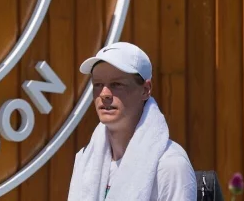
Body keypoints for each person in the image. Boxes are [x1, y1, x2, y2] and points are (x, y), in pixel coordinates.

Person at [68, 42, 196, 201]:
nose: (104, 94)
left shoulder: (170, 164)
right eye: (98, 85)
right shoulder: (85, 160)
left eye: (117, 84)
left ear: (145, 90)